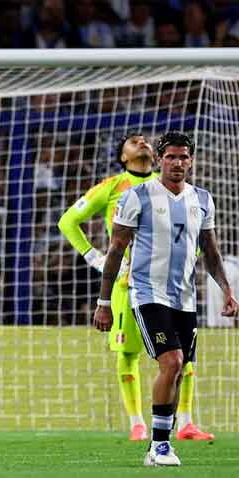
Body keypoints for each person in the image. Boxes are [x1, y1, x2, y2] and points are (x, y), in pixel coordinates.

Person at [93, 131, 239, 467]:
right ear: (160, 159)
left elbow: (211, 253)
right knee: (171, 362)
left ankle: (164, 439)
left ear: (191, 160)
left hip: (185, 299)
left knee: (178, 370)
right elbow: (116, 250)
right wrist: (103, 303)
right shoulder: (137, 196)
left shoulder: (202, 199)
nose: (177, 163)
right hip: (146, 293)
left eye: (183, 157)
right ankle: (158, 446)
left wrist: (227, 292)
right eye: (170, 157)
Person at [58, 133, 214, 442]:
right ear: (123, 157)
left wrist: (185, 258)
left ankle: (185, 422)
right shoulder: (113, 187)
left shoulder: (168, 185)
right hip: (126, 283)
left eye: (144, 140)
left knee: (183, 356)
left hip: (169, 286)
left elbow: (197, 235)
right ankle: (137, 423)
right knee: (128, 353)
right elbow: (67, 221)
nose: (141, 142)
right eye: (133, 141)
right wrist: (95, 259)